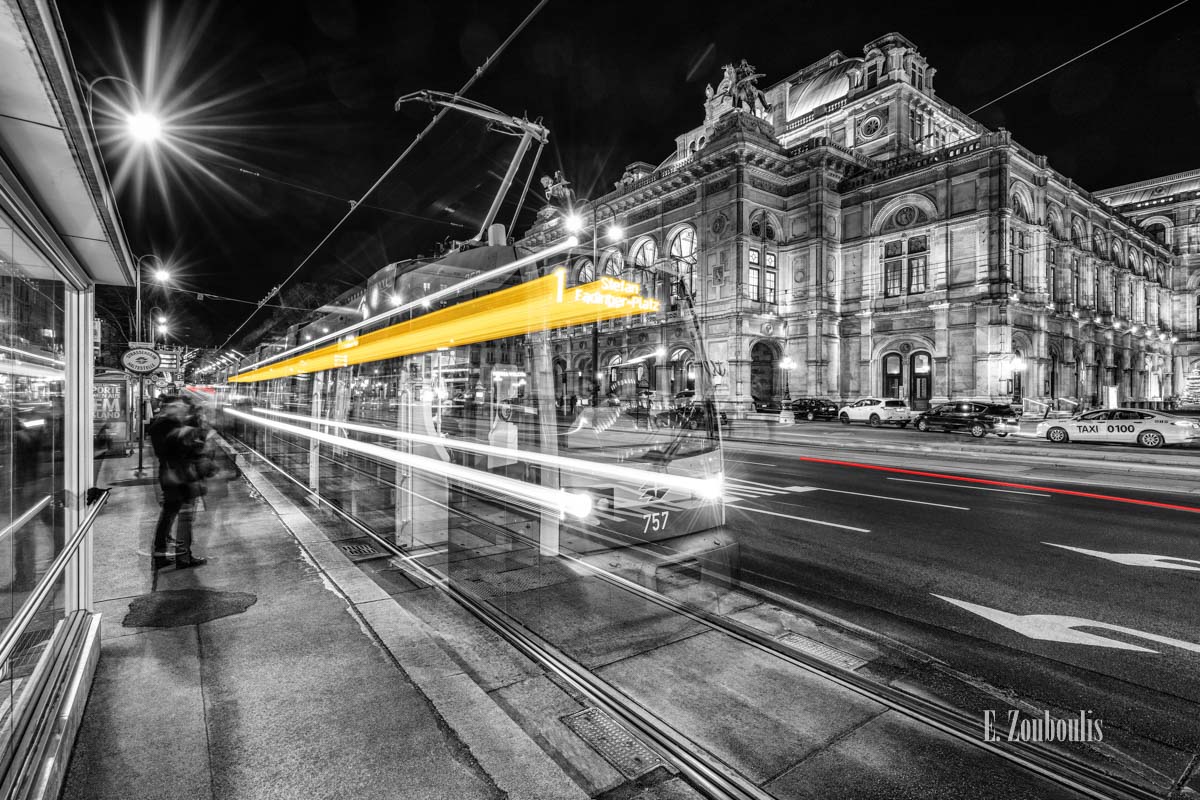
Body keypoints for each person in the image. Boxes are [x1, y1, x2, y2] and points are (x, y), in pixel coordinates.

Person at [152, 408, 210, 568]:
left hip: (174, 480)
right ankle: (183, 558)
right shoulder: (184, 435)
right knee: (183, 520)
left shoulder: (169, 431)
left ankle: (162, 553)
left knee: (170, 516)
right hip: (181, 482)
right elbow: (189, 458)